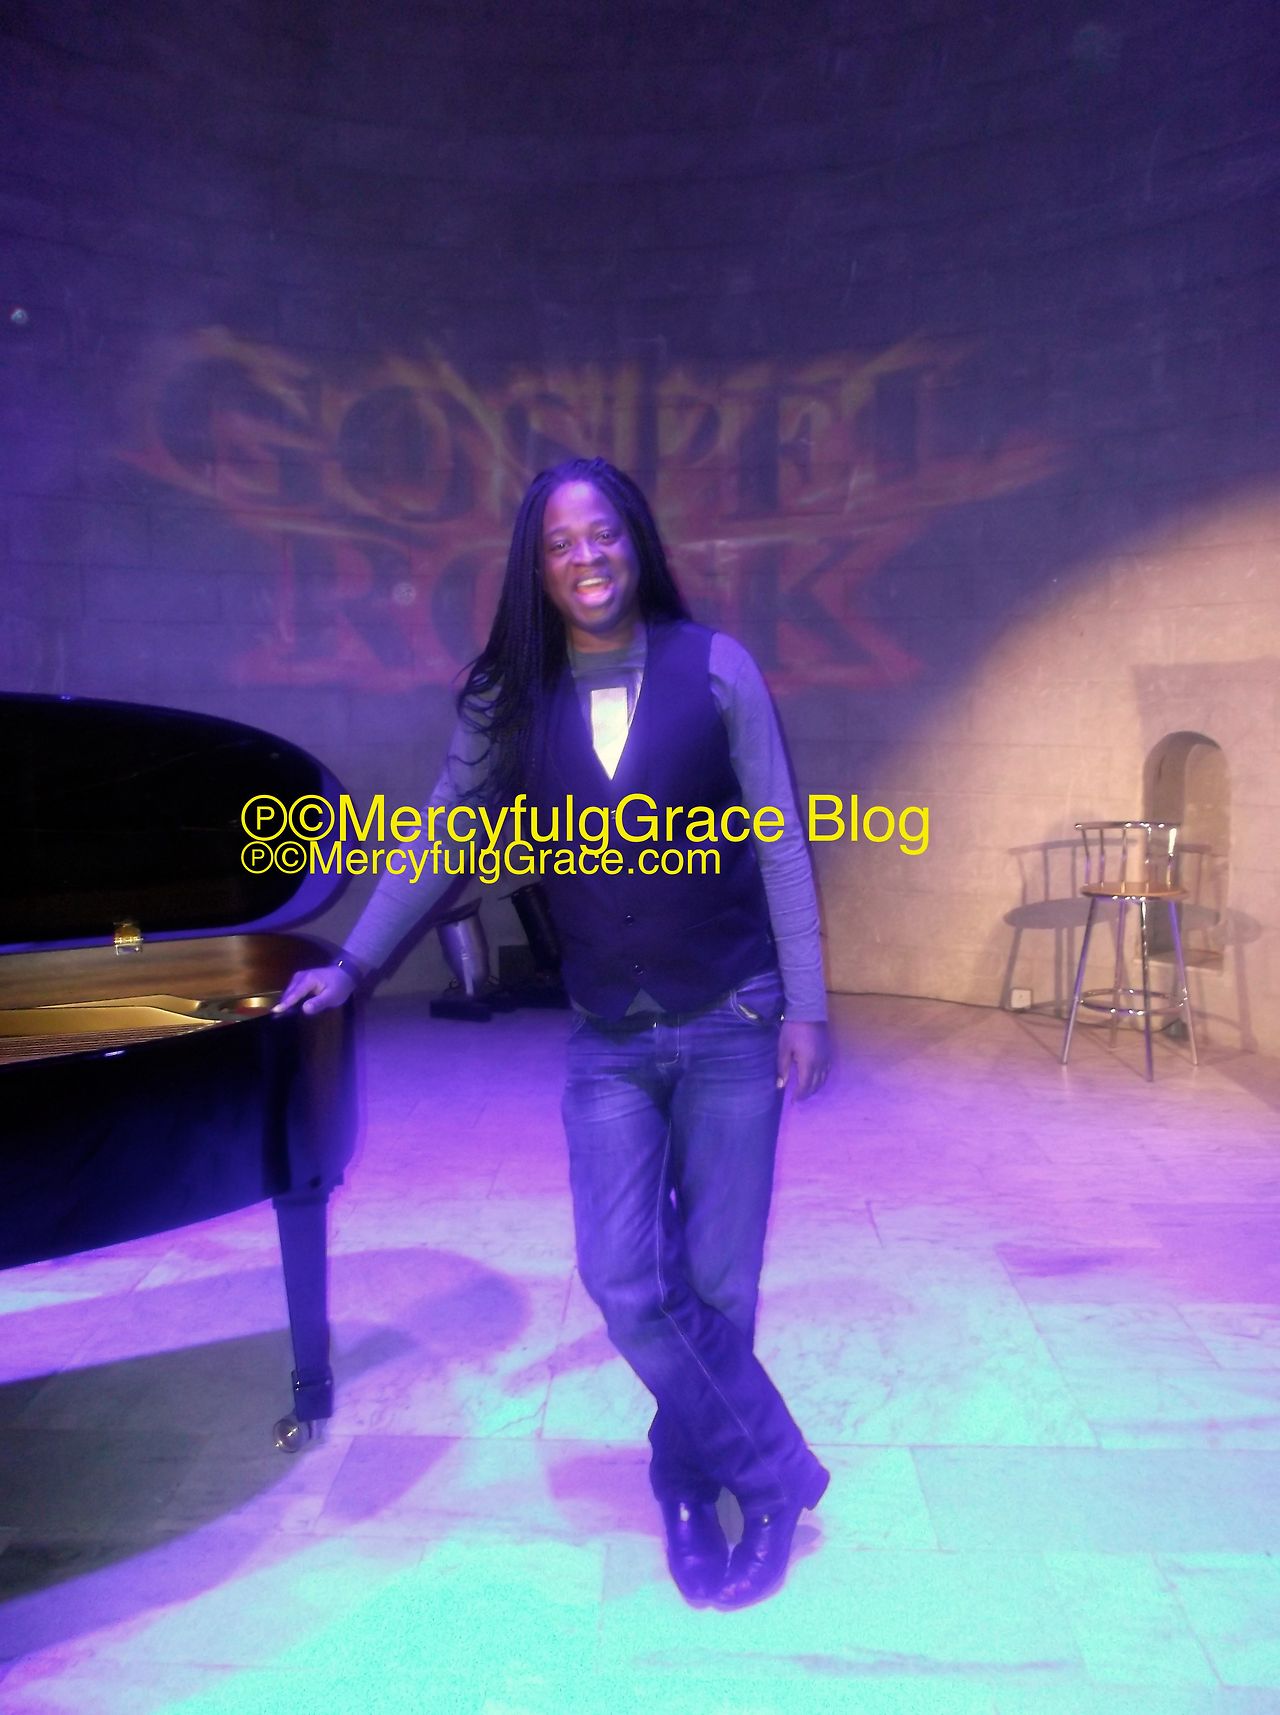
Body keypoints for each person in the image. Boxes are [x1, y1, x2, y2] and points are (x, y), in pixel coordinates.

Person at [276, 457, 830, 1609]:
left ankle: (687, 1478)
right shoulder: (508, 698)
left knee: (717, 1282)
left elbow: (779, 837)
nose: (587, 556)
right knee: (623, 1273)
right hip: (610, 1036)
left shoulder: (714, 667)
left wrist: (806, 1002)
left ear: (635, 541)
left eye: (603, 533)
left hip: (731, 1015)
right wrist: (354, 961)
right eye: (561, 542)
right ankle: (775, 1472)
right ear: (536, 565)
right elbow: (439, 835)